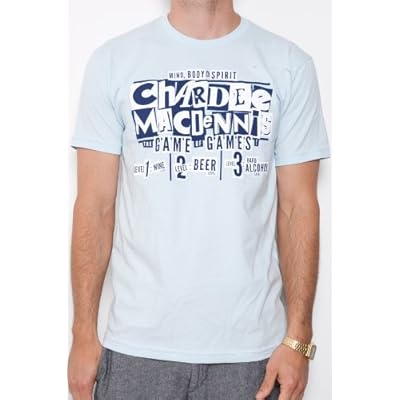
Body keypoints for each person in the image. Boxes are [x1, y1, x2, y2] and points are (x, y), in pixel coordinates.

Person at [68, 0, 331, 399]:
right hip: (137, 350)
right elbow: (95, 207)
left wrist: (299, 339)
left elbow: (299, 208)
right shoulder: (113, 62)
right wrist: (83, 334)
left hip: (253, 355)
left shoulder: (289, 64)